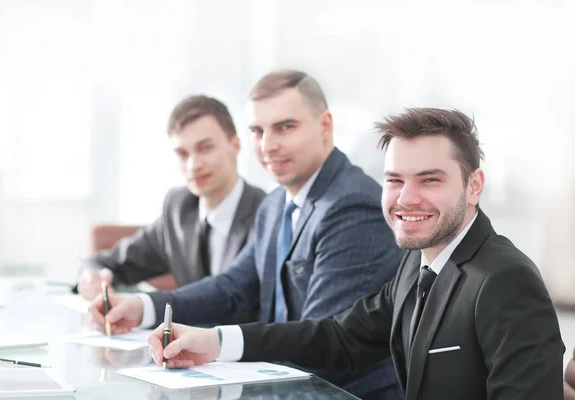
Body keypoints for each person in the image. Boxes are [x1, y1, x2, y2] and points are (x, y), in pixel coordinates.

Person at [146, 108, 565, 400]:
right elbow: (339, 336)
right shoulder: (419, 263)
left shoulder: (505, 281)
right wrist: (216, 341)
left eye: (430, 180)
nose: (406, 198)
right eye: (394, 180)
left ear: (474, 186)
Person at [89, 70, 404, 399]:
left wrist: (219, 343)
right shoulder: (275, 205)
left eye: (285, 127)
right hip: (286, 387)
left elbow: (323, 341)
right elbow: (232, 288)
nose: (267, 145)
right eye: (258, 130)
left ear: (325, 125)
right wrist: (142, 306)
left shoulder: (352, 205)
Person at [76, 95, 266, 300]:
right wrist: (92, 276)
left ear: (235, 146)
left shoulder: (266, 214)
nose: (193, 165)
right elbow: (111, 262)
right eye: (182, 154)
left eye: (205, 148)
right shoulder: (179, 209)